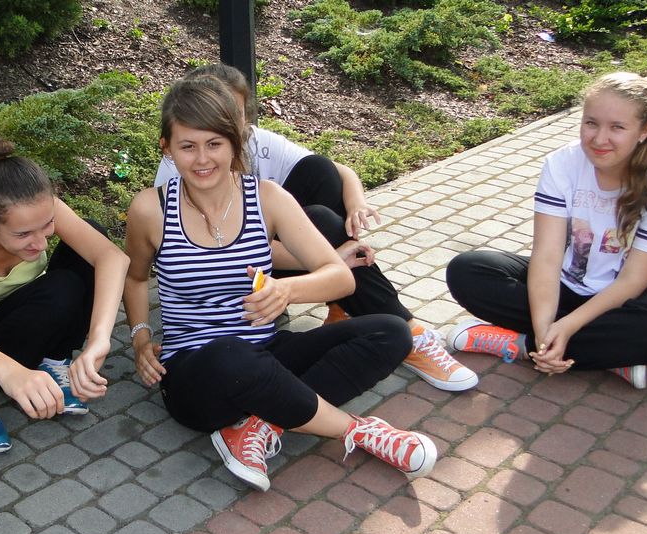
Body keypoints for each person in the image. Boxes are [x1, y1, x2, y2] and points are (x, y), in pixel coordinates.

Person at [126, 76, 438, 492]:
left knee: (391, 331)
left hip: (268, 351)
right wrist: (141, 340)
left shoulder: (268, 198)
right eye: (188, 146)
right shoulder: (151, 209)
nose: (202, 159)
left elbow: (340, 277)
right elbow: (135, 277)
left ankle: (258, 426)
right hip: (196, 374)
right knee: (232, 355)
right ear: (167, 148)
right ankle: (358, 431)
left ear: (236, 142)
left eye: (214, 143)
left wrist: (287, 291)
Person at [155, 64, 477, 392]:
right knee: (323, 224)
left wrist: (356, 205)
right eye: (218, 112)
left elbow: (339, 171)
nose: (232, 124)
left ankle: (349, 310)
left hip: (279, 268)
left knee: (318, 172)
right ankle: (406, 330)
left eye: (237, 113)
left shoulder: (254, 139)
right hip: (241, 276)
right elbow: (228, 254)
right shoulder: (187, 165)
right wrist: (330, 257)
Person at [445, 72, 647, 389]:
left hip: (635, 299)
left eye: (617, 127)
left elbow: (633, 281)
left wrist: (566, 327)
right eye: (591, 123)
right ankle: (610, 355)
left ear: (645, 130)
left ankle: (520, 346)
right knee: (468, 270)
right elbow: (547, 255)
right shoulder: (563, 163)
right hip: (570, 284)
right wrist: (545, 326)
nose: (599, 138)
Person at [0, 131, 129, 453]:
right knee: (60, 288)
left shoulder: (38, 206)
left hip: (38, 311)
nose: (40, 243)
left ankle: (53, 360)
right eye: (23, 234)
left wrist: (99, 340)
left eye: (47, 225)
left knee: (91, 238)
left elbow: (113, 258)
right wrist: (10, 373)